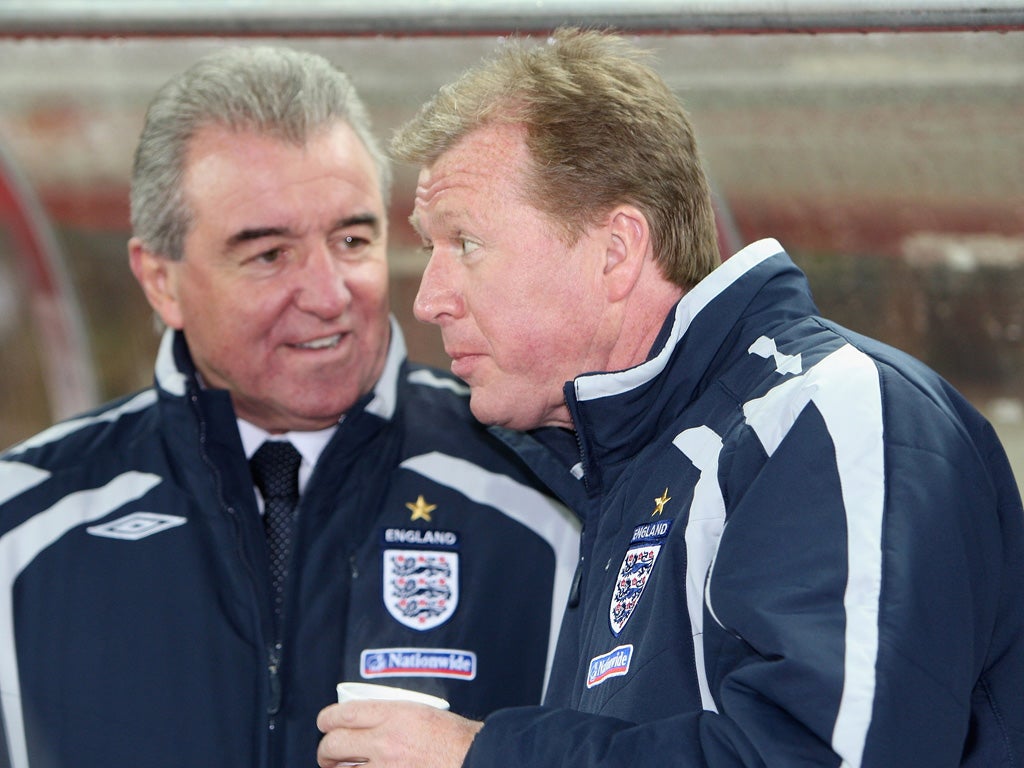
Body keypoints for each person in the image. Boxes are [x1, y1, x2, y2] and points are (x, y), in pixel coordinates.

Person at [316, 27, 1024, 768]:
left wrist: (480, 756)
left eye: (465, 244)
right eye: (429, 252)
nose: (429, 300)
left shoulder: (824, 413)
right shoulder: (630, 466)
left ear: (615, 252)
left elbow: (825, 757)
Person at [0, 45, 580, 768]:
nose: (330, 293)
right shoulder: (20, 528)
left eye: (352, 239)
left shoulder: (552, 498)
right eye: (269, 254)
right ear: (160, 281)